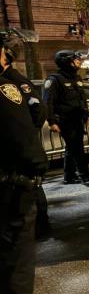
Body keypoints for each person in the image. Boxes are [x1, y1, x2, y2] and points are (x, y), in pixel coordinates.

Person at [0, 55, 62, 294]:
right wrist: (36, 168)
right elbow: (25, 131)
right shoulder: (5, 88)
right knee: (16, 257)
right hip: (11, 186)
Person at [0, 45, 51, 237]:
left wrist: (27, 131)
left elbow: (39, 109)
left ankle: (41, 227)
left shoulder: (14, 81)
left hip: (19, 147)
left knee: (30, 185)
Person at [43, 50, 89, 186]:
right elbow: (47, 102)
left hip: (77, 119)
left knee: (71, 148)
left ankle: (69, 176)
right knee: (78, 149)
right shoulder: (54, 80)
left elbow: (82, 100)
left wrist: (87, 115)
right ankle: (85, 176)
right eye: (75, 59)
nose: (79, 61)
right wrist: (51, 121)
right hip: (65, 121)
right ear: (67, 62)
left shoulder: (76, 78)